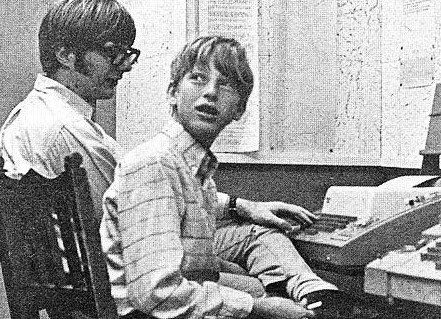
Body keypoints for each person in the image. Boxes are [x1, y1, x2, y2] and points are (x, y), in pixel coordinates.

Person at [101, 36, 379, 319]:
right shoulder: (155, 164)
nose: (210, 92)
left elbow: (187, 208)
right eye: (197, 78)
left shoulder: (191, 168)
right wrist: (257, 308)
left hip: (169, 302)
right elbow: (157, 293)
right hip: (147, 314)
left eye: (225, 85)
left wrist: (250, 284)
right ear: (173, 93)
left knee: (260, 282)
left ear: (239, 110)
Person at [0, 0, 139, 219]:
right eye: (112, 52)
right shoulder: (65, 128)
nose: (125, 65)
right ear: (64, 55)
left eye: (127, 53)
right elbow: (135, 216)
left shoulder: (41, 112)